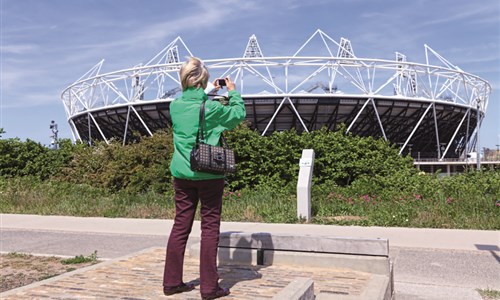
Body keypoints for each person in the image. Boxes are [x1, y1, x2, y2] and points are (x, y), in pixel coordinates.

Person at [163, 56, 246, 299]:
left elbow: (193, 102)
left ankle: (171, 283)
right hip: (209, 174)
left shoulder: (175, 106)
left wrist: (209, 90)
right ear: (204, 80)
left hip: (181, 173)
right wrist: (232, 92)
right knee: (210, 228)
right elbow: (238, 114)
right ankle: (209, 287)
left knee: (180, 226)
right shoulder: (213, 108)